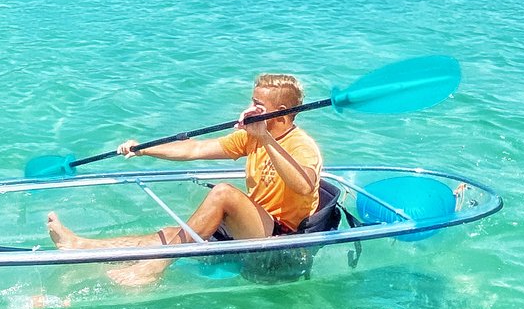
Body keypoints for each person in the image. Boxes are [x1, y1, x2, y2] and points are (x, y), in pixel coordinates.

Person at [46, 73, 323, 288]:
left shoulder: (301, 145)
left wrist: (264, 137)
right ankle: (81, 245)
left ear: (282, 111)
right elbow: (195, 149)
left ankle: (154, 268)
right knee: (170, 234)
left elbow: (305, 185)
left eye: (257, 105)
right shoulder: (251, 136)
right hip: (253, 228)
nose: (249, 108)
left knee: (224, 193)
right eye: (252, 101)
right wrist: (143, 149)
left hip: (283, 246)